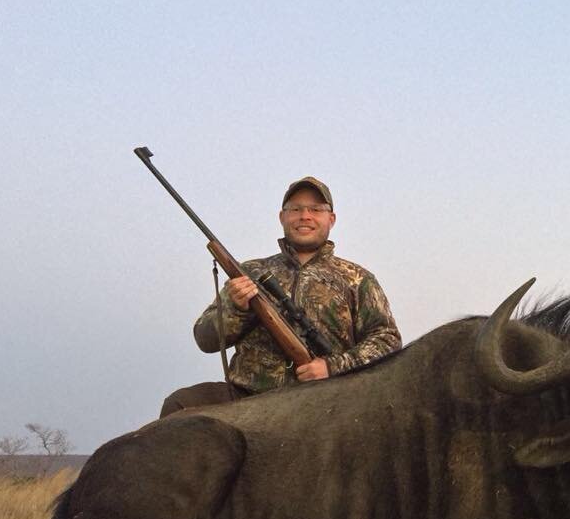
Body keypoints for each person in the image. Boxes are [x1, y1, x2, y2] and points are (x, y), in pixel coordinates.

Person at [159, 176, 401, 417]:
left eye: (316, 209)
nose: (304, 216)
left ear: (331, 219)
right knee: (180, 404)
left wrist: (332, 366)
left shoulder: (357, 279)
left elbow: (387, 341)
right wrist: (237, 308)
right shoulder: (250, 272)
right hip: (247, 397)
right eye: (295, 209)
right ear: (282, 217)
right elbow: (205, 338)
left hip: (325, 399)